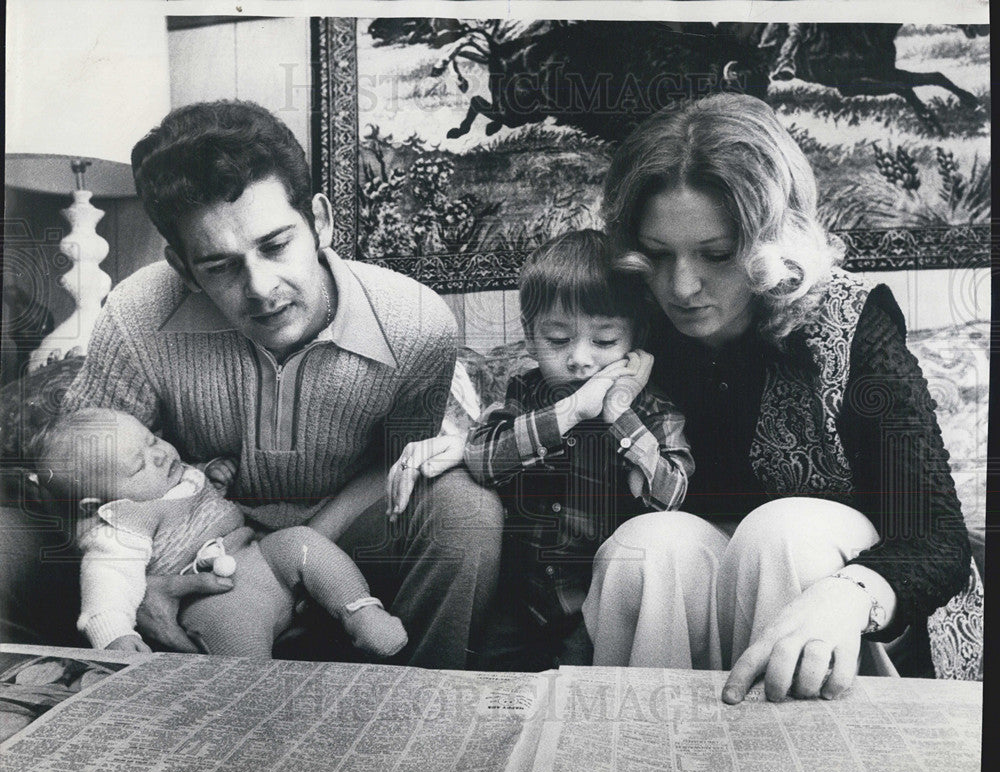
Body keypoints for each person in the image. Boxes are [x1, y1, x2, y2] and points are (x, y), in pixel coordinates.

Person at [55, 99, 502, 669]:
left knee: (465, 508)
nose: (262, 287)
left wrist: (309, 543)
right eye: (220, 266)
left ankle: (422, 702)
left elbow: (400, 464)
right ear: (182, 268)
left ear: (320, 220)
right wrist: (140, 590)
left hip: (349, 524)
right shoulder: (135, 316)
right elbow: (80, 478)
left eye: (275, 245)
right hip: (194, 540)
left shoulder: (418, 322)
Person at [584, 92, 971, 702]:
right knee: (650, 547)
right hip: (696, 589)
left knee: (784, 533)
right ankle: (647, 758)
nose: (681, 288)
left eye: (716, 254)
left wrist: (850, 594)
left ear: (775, 241)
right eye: (658, 256)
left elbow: (938, 536)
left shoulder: (849, 321)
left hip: (852, 599)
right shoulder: (627, 323)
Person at [462, 230, 694, 669]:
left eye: (604, 342)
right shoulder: (525, 392)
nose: (580, 360)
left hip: (595, 611)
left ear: (635, 340)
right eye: (558, 339)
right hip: (516, 605)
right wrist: (569, 411)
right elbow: (479, 458)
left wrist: (618, 412)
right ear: (530, 339)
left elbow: (668, 497)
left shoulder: (653, 409)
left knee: (577, 706)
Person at [30, 408, 407, 658]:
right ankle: (258, 698)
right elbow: (107, 582)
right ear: (96, 504)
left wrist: (212, 473)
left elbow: (191, 489)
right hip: (209, 597)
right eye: (137, 465)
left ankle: (360, 614)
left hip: (260, 555)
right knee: (235, 629)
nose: (159, 455)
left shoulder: (171, 476)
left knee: (302, 542)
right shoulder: (121, 523)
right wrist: (113, 635)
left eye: (151, 439)